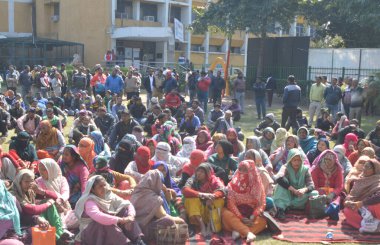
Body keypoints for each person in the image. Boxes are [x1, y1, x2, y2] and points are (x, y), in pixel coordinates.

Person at [74, 175, 145, 245]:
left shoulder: (109, 195)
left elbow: (127, 204)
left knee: (123, 211)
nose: (104, 188)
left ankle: (138, 240)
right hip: (92, 232)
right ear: (92, 189)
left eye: (104, 185)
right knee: (106, 223)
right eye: (100, 186)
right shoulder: (89, 201)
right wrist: (122, 220)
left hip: (109, 226)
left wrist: (130, 216)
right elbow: (99, 216)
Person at [10, 169, 69, 241]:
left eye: (31, 181)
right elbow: (31, 210)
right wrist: (48, 203)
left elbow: (56, 197)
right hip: (22, 221)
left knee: (49, 205)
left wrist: (40, 191)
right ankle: (58, 239)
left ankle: (60, 234)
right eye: (26, 182)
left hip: (32, 216)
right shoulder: (13, 193)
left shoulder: (30, 189)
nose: (29, 184)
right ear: (20, 181)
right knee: (47, 208)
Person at [131, 170, 185, 242]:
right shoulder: (152, 197)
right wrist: (180, 220)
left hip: (134, 230)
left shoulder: (136, 192)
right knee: (169, 222)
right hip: (143, 231)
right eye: (161, 182)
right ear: (157, 182)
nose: (162, 185)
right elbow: (163, 216)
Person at [222, 160, 267, 242]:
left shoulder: (257, 185)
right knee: (225, 213)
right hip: (236, 215)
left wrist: (253, 215)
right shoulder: (233, 184)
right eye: (240, 169)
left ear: (251, 171)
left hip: (251, 216)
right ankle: (247, 233)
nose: (242, 172)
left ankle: (239, 232)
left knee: (263, 221)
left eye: (245, 170)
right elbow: (231, 203)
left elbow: (261, 203)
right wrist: (241, 217)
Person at [182, 163, 225, 237]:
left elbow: (223, 190)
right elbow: (185, 190)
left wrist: (213, 197)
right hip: (198, 212)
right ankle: (202, 225)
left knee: (219, 200)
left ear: (208, 173)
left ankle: (209, 225)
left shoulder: (215, 180)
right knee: (190, 200)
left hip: (211, 210)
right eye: (198, 171)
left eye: (202, 172)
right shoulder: (192, 179)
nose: (198, 173)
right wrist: (201, 194)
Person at [273, 149, 318, 219]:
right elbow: (279, 178)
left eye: (299, 160)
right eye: (294, 160)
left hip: (299, 196)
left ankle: (287, 206)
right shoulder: (285, 167)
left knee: (315, 193)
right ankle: (281, 208)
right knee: (280, 186)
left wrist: (304, 190)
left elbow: (311, 185)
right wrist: (293, 190)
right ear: (290, 160)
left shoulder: (305, 169)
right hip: (287, 194)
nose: (297, 162)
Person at [344, 159, 380, 230]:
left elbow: (378, 197)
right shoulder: (360, 179)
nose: (364, 169)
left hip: (372, 207)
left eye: (368, 167)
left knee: (376, 205)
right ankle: (369, 226)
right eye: (364, 166)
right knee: (347, 210)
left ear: (375, 170)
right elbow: (352, 195)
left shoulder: (378, 180)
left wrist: (362, 203)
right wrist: (348, 201)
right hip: (362, 209)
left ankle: (373, 225)